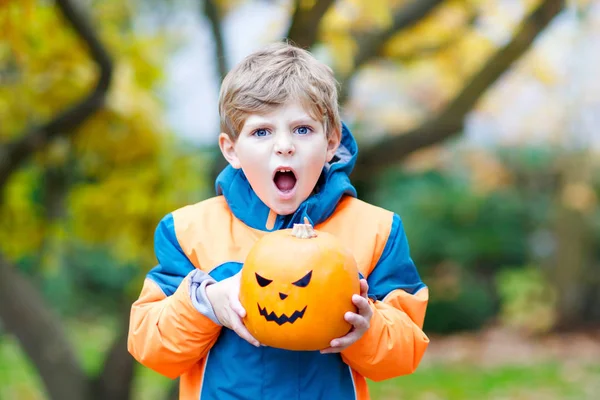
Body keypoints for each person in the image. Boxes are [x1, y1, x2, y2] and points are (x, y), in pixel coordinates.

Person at [128, 42, 429, 400]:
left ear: (331, 142)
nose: (284, 146)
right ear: (231, 149)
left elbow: (404, 353)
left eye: (302, 129)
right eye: (261, 132)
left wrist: (368, 328)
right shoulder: (188, 230)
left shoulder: (377, 231)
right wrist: (203, 302)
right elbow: (151, 346)